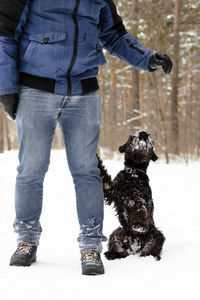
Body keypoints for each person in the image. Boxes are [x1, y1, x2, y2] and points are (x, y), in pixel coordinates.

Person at [0, 0, 172, 275]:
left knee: (87, 171)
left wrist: (147, 58)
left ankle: (90, 245)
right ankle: (26, 240)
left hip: (84, 91)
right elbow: (4, 31)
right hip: (35, 88)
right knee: (31, 169)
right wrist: (6, 87)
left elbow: (114, 34)